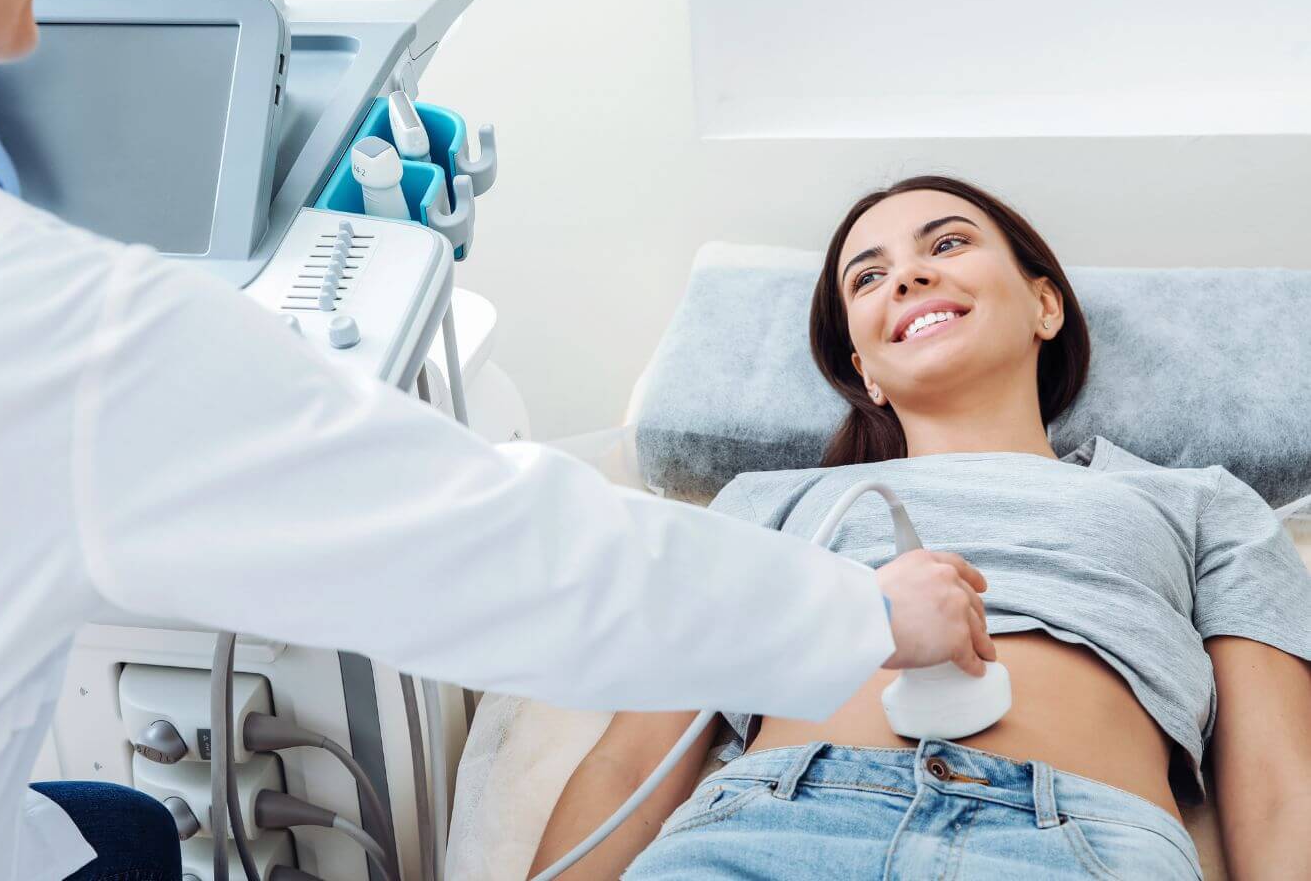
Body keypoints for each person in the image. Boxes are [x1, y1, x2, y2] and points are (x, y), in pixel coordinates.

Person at [0, 0, 996, 879]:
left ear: (1047, 302)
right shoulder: (26, 310)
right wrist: (865, 611)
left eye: (952, 245)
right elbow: (501, 554)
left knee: (112, 832)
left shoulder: (1168, 500)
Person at [533, 176, 1311, 880]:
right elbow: (632, 764)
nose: (907, 275)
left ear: (1046, 305)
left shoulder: (1201, 501)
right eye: (868, 277)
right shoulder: (766, 502)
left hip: (1075, 843)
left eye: (948, 243)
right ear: (864, 369)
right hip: (770, 826)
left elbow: (1280, 786)